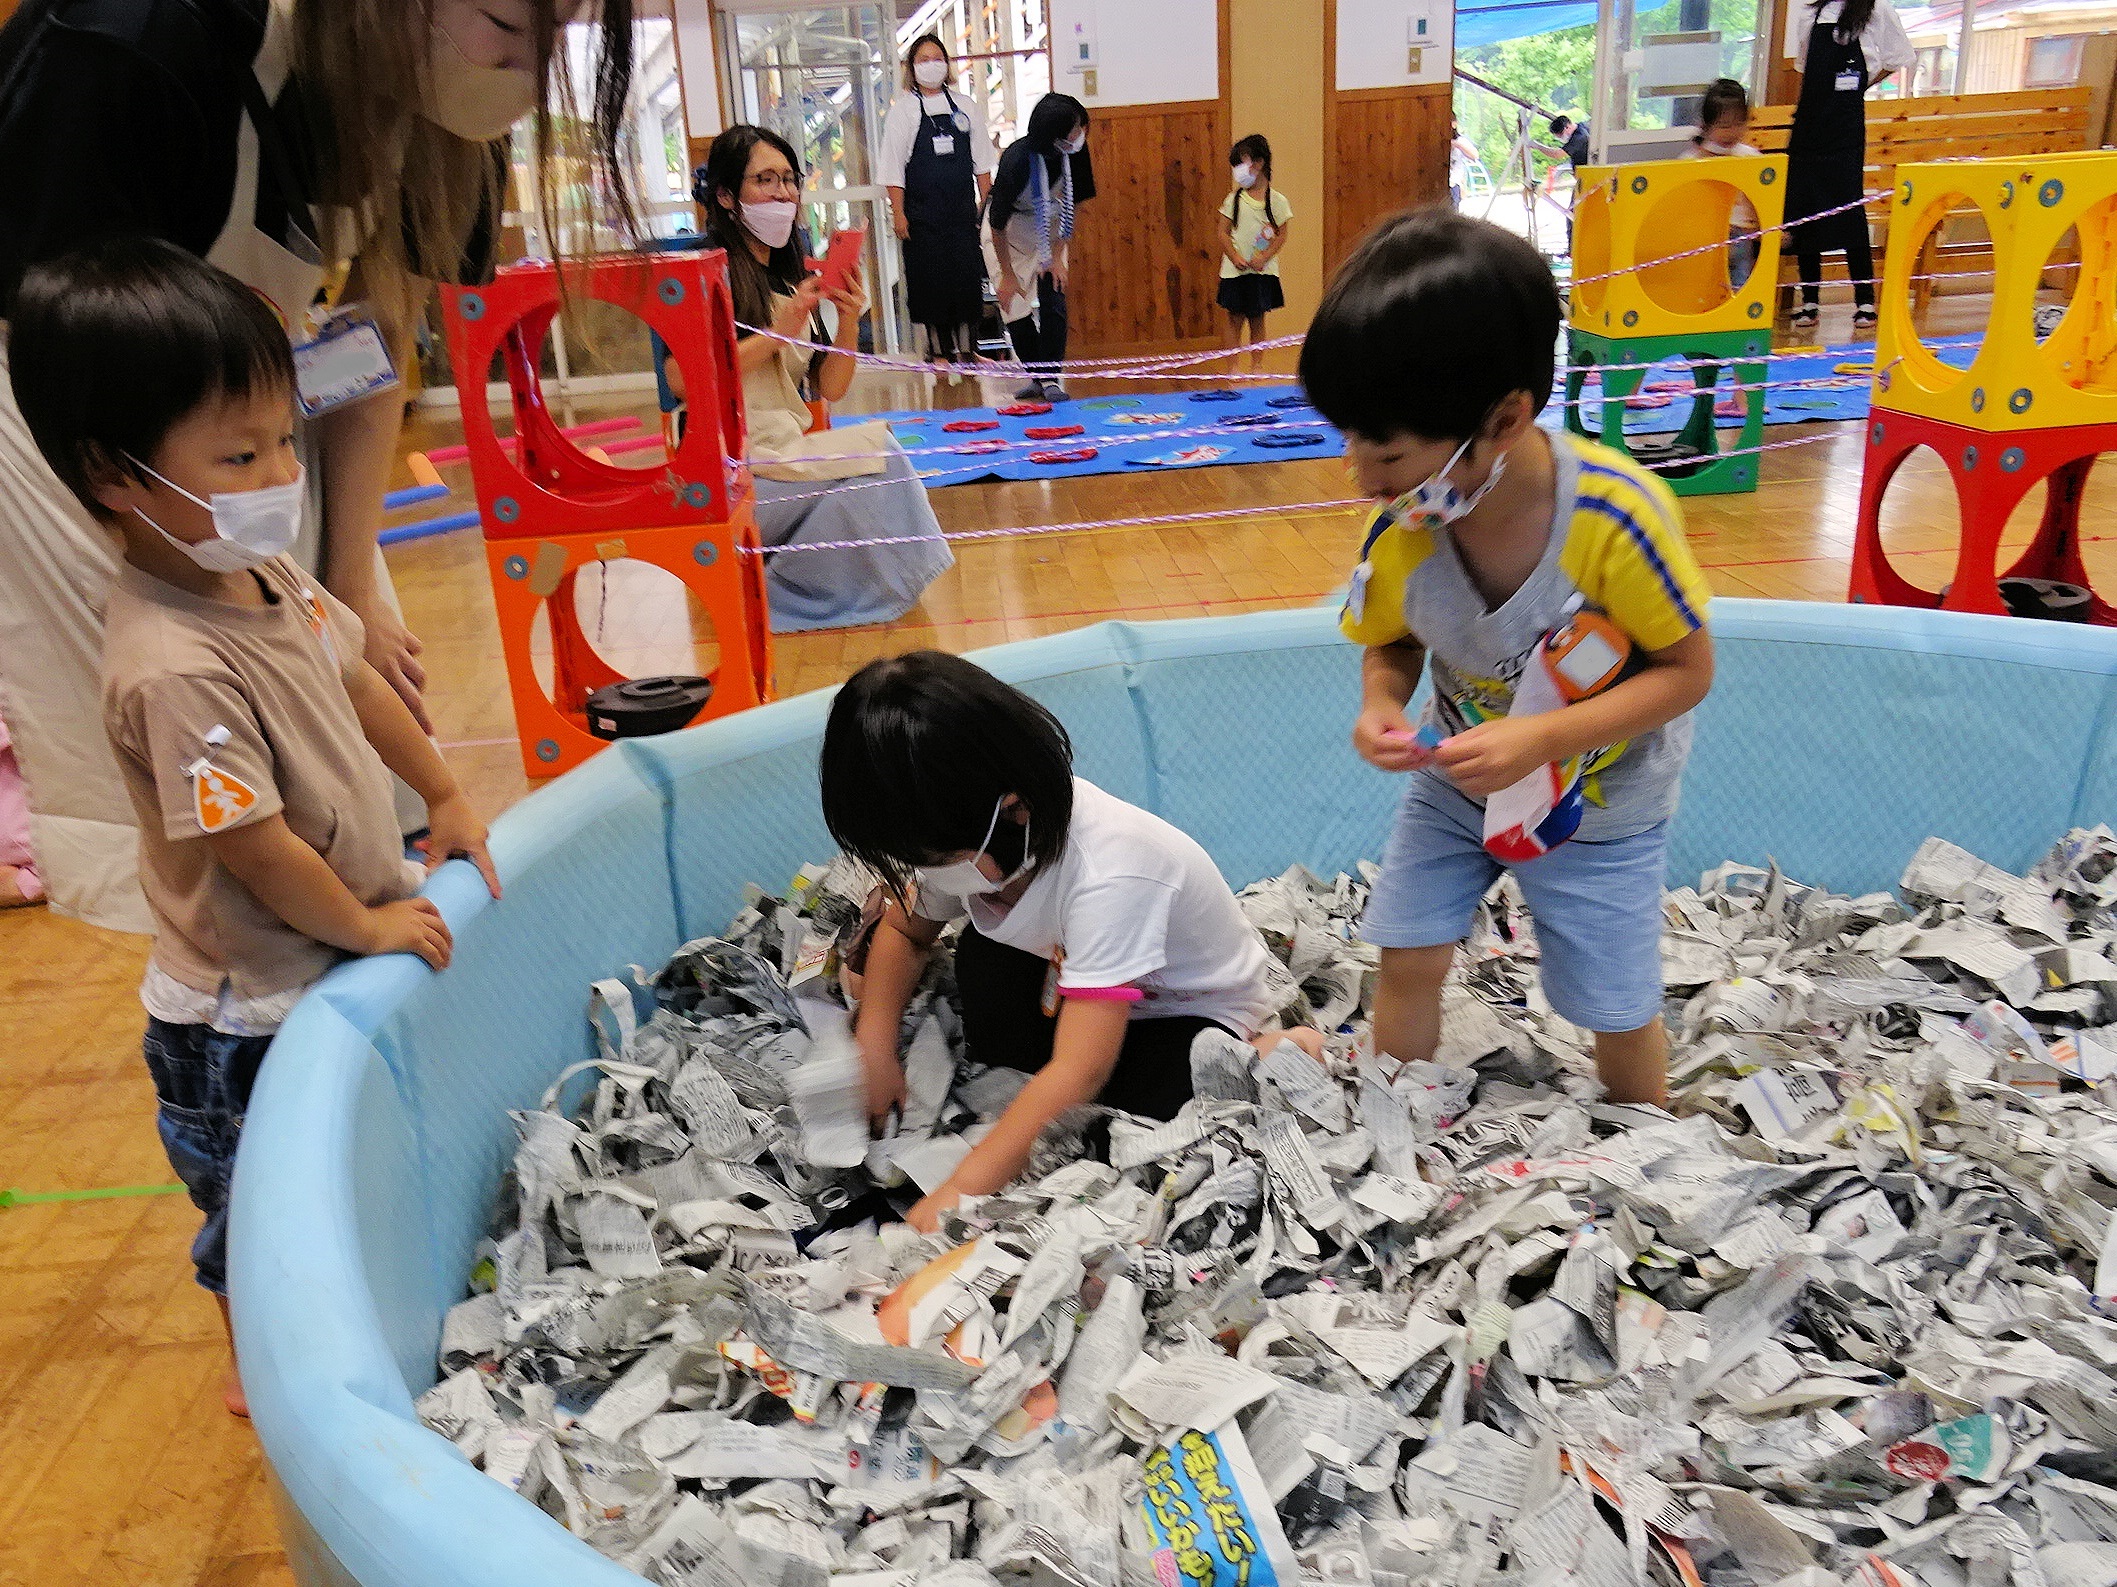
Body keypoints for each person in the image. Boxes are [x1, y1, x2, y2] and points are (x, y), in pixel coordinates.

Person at [0, 0, 636, 932]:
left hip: (246, 406)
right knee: (216, 802)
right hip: (88, 429)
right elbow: (83, 359)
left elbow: (374, 335)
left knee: (348, 714)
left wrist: (347, 594)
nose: (525, 69)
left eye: (557, 37)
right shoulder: (136, 48)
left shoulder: (444, 112)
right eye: (506, 22)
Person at [6, 238, 503, 1416]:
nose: (281, 471)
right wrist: (369, 926)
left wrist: (440, 791)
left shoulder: (267, 576)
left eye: (283, 439)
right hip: (242, 1003)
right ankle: (253, 1354)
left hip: (325, 939)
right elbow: (255, 845)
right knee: (252, 1200)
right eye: (239, 453)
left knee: (342, 1166)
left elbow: (362, 684)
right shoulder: (170, 663)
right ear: (113, 475)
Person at [1298, 209, 1716, 1110]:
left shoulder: (1615, 522)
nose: (1359, 473)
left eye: (1387, 450)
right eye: (1351, 440)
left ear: (1503, 419)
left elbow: (1686, 672)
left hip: (1596, 805)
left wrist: (1542, 739)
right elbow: (1392, 642)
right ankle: (1393, 1114)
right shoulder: (1408, 524)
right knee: (1406, 950)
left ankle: (1647, 1130)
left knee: (1614, 1004)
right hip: (1455, 782)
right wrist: (1381, 704)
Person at [821, 651, 1324, 1232]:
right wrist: (876, 1042)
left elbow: (1080, 1072)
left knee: (1147, 1097)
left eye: (938, 860)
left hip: (1181, 1014)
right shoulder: (970, 836)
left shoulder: (1112, 872)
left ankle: (1275, 1049)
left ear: (1014, 812)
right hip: (1068, 978)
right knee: (981, 974)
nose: (926, 874)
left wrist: (959, 1193)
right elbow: (907, 930)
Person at [693, 126, 953, 633]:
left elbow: (829, 389)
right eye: (764, 180)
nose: (782, 193)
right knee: (881, 460)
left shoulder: (790, 274)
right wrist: (775, 334)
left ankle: (800, 592)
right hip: (736, 467)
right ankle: (778, 599)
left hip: (783, 452)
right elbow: (687, 380)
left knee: (879, 464)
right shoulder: (707, 275)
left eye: (789, 179)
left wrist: (851, 319)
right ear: (725, 196)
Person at [1787, 0, 1913, 332]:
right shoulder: (1810, 12)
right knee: (1805, 210)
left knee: (1850, 208)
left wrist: (1861, 84)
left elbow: (1900, 58)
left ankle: (1865, 300)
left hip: (1844, 126)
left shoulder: (1877, 10)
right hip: (1810, 124)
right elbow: (1805, 68)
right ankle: (1809, 299)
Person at [880, 33, 996, 375]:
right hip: (921, 215)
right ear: (912, 69)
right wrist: (899, 214)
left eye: (937, 58)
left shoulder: (966, 106)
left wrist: (984, 208)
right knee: (930, 282)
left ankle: (970, 351)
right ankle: (939, 352)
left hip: (961, 213)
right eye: (923, 59)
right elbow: (893, 168)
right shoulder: (902, 113)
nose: (931, 65)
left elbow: (983, 163)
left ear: (946, 65)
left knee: (965, 279)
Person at [988, 93, 1094, 402]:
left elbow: (1073, 206)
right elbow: (996, 225)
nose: (1081, 133)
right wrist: (1008, 276)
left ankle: (1050, 379)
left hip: (1050, 224)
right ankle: (1036, 376)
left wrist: (1058, 256)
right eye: (1076, 128)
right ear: (1055, 135)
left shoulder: (1075, 152)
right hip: (1008, 231)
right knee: (1015, 307)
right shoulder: (1017, 160)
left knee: (1054, 298)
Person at [1216, 134, 1293, 377]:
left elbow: (1281, 235)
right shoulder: (1234, 200)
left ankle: (1257, 367)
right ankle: (1233, 368)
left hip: (1261, 272)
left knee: (1257, 318)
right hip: (1235, 272)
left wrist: (1265, 257)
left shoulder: (1277, 201)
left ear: (1258, 164)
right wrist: (1234, 256)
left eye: (1241, 163)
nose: (1237, 171)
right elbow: (1222, 231)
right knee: (1234, 318)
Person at [1685, 78, 1764, 289]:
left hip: (1741, 235)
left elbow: (1760, 199)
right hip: (1705, 238)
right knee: (1706, 288)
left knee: (1738, 287)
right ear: (1706, 126)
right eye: (1723, 125)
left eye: (1739, 124)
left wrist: (1765, 229)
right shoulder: (1693, 160)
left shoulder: (1750, 157)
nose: (1731, 132)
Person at [1449, 119, 1480, 208]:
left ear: (1454, 124)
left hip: (1453, 184)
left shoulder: (1460, 141)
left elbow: (1475, 155)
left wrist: (1457, 145)